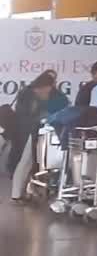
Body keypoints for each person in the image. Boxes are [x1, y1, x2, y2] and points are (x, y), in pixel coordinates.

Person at [8, 72, 56, 202]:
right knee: (24, 162)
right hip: (27, 132)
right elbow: (30, 114)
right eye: (50, 86)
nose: (51, 89)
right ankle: (16, 194)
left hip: (26, 131)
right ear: (44, 85)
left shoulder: (27, 92)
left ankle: (21, 192)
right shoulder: (31, 95)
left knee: (27, 162)